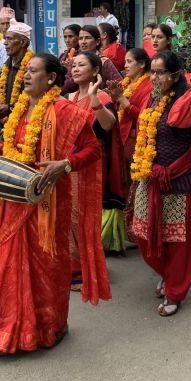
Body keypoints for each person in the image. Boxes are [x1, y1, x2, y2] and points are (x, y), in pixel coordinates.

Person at [0, 53, 110, 354]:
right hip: (14, 199)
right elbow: (15, 145)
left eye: (33, 71)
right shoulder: (19, 109)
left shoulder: (65, 110)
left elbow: (93, 150)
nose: (26, 76)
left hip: (49, 201)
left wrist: (65, 165)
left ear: (52, 78)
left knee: (46, 267)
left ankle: (50, 328)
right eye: (26, 71)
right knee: (6, 264)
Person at [130, 51, 191, 316]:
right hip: (151, 177)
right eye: (152, 72)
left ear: (176, 75)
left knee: (179, 243)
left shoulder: (189, 98)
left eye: (160, 73)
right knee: (143, 234)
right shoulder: (153, 97)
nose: (154, 78)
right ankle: (167, 274)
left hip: (183, 181)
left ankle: (175, 291)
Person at [68, 52, 127, 256]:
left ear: (95, 71)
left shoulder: (102, 97)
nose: (75, 69)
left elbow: (108, 125)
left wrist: (93, 98)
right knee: (72, 210)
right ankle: (77, 259)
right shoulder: (71, 97)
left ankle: (89, 259)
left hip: (94, 163)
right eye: (74, 65)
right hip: (72, 162)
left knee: (87, 210)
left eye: (81, 65)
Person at [106, 48, 153, 163]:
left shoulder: (149, 85)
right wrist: (114, 98)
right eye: (125, 62)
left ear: (142, 64)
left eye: (129, 61)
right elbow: (117, 109)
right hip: (118, 134)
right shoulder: (124, 83)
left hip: (135, 138)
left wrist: (121, 98)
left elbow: (144, 116)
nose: (125, 65)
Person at [0, 21, 34, 135]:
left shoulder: (32, 66)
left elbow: (35, 98)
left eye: (10, 39)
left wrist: (10, 108)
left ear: (23, 42)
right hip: (6, 126)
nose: (5, 43)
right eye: (5, 38)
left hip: (27, 127)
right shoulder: (6, 66)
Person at [63, 25, 122, 94]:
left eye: (87, 38)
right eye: (81, 38)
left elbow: (120, 84)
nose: (83, 42)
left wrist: (102, 92)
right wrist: (78, 75)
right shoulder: (74, 61)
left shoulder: (104, 61)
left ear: (97, 41)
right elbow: (64, 88)